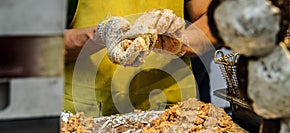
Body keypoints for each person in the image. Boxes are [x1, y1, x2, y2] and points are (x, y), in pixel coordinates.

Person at [64, 0, 216, 117]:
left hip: (171, 110)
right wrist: (102, 33)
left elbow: (212, 21)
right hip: (85, 113)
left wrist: (178, 42)